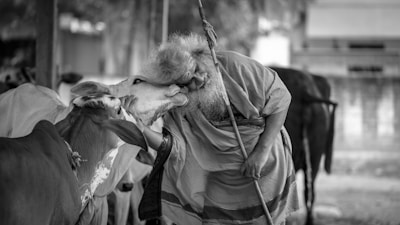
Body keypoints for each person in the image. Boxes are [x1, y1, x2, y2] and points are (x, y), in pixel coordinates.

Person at [121, 33, 299, 225]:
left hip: (265, 168)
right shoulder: (180, 105)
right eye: (188, 81)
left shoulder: (233, 65)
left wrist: (261, 152)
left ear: (198, 57)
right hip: (221, 180)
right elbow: (175, 149)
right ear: (174, 87)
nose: (200, 78)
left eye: (197, 69)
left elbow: (281, 97)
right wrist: (139, 128)